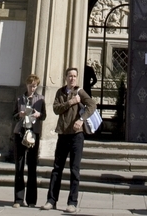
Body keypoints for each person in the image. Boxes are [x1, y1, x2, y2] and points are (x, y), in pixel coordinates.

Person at [42, 66, 96, 213]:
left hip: (77, 136)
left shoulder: (80, 92)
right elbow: (56, 109)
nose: (72, 78)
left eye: (74, 76)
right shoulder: (60, 92)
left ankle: (72, 202)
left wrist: (81, 119)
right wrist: (71, 102)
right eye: (70, 76)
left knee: (74, 170)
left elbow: (92, 105)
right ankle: (51, 200)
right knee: (57, 169)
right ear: (66, 77)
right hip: (63, 134)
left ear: (77, 78)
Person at [13, 73, 46, 208]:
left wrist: (39, 114)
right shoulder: (20, 98)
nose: (33, 88)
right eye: (31, 85)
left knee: (32, 166)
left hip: (33, 133)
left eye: (35, 86)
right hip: (20, 132)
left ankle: (31, 200)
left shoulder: (41, 99)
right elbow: (13, 115)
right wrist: (19, 114)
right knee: (19, 166)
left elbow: (44, 116)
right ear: (27, 85)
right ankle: (18, 199)